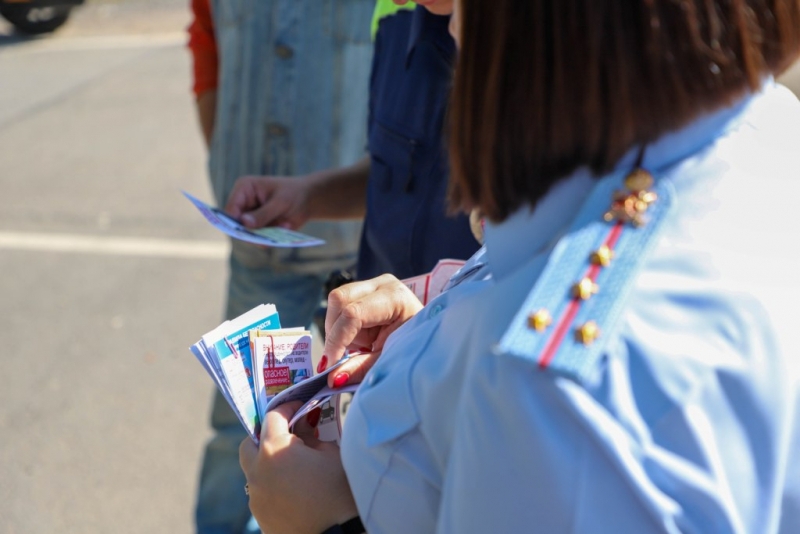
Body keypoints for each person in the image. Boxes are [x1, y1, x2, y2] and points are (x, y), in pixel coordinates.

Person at [240, 0, 800, 533]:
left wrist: (326, 523)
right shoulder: (763, 125)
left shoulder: (554, 385)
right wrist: (442, 321)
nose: (449, 23)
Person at [186, 1, 374, 532]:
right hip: (261, 250)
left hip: (364, 257)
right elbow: (207, 46)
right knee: (241, 427)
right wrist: (226, 160)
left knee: (358, 431)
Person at [224, 0, 480, 289]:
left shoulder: (517, 54)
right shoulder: (393, 15)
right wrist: (308, 196)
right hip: (379, 312)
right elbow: (396, 169)